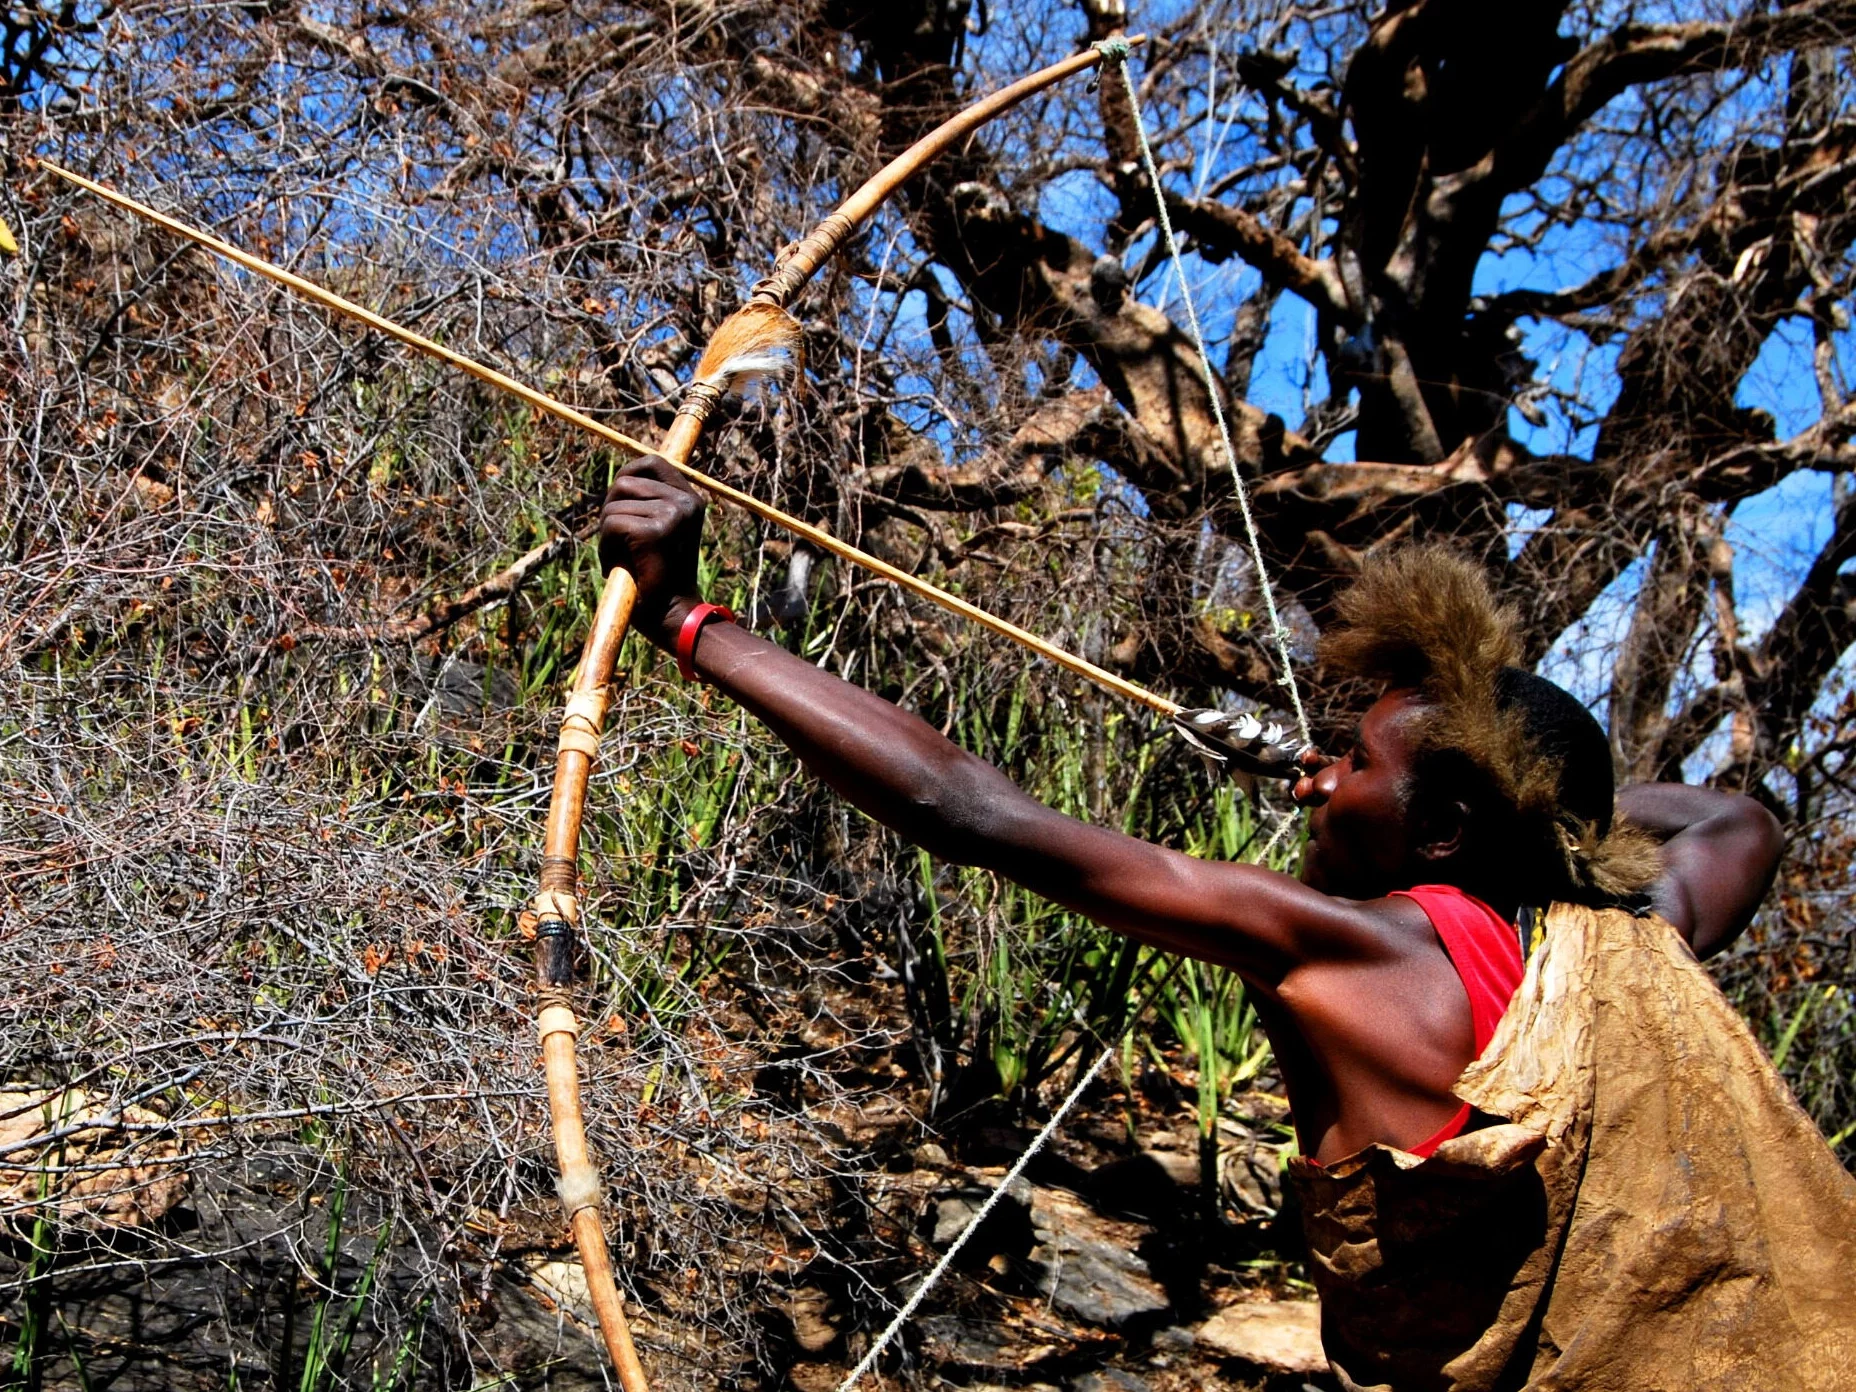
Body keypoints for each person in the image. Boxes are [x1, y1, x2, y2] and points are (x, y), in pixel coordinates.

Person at [599, 457, 1856, 1389]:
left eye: (1348, 765)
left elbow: (967, 810)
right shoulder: (1641, 935)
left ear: (1440, 831)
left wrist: (684, 620)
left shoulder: (1362, 950)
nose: (1311, 776)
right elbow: (1733, 821)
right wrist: (1542, 821)